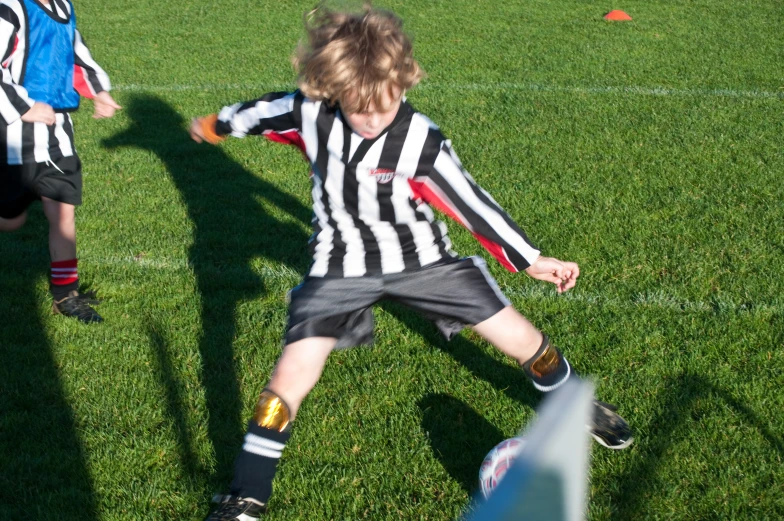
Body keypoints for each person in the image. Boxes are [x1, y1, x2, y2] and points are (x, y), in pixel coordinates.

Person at [190, 5, 633, 519]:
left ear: (403, 81)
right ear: (332, 88)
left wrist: (529, 258)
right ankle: (246, 499)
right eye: (360, 109)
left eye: (386, 104)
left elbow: (471, 203)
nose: (374, 119)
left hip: (422, 261)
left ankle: (573, 402)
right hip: (338, 267)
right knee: (286, 383)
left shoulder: (421, 140)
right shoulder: (310, 111)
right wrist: (211, 126)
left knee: (524, 341)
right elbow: (253, 113)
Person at [0, 0, 121, 323]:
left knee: (62, 213)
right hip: (15, 136)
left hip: (58, 133)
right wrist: (24, 107)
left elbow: (74, 55)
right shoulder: (10, 7)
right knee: (11, 221)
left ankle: (66, 295)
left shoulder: (63, 6)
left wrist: (99, 91)